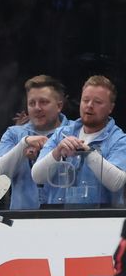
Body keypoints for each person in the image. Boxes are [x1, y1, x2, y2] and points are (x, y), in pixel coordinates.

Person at [31, 75, 126, 207]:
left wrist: (87, 152)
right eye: (85, 100)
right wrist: (57, 152)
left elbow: (117, 183)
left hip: (100, 221)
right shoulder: (61, 134)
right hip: (57, 219)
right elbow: (37, 176)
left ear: (111, 107)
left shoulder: (119, 139)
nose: (89, 106)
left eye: (97, 102)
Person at [0, 75, 69, 209]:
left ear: (59, 106)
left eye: (44, 102)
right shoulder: (13, 134)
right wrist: (24, 143)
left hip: (67, 219)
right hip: (22, 222)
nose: (37, 108)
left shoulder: (75, 132)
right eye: (32, 103)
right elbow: (3, 173)